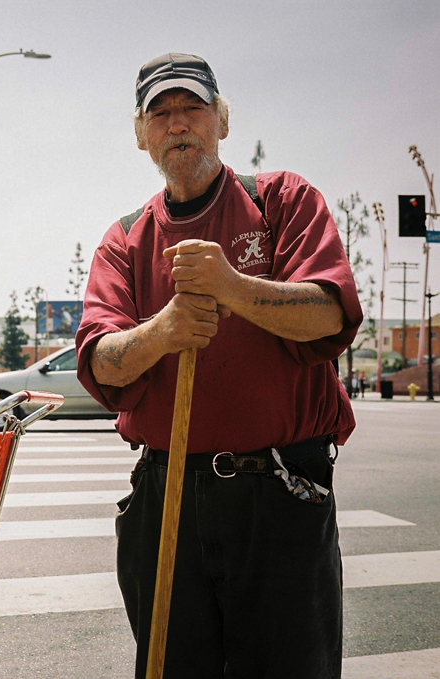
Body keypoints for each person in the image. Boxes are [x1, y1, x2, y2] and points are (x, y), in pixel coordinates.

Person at [75, 53, 362, 679]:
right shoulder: (125, 240)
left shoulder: (282, 201)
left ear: (221, 120)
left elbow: (330, 314)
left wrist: (231, 287)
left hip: (280, 493)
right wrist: (162, 333)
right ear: (142, 134)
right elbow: (100, 361)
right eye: (162, 112)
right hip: (166, 495)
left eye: (192, 108)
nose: (178, 124)